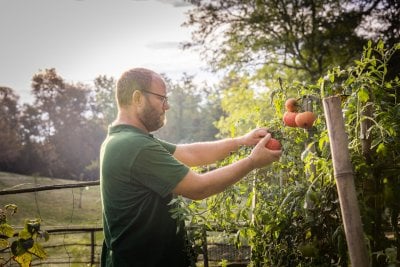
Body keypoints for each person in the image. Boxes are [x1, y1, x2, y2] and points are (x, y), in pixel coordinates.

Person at [100, 67, 282, 267]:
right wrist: (252, 161)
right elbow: (199, 187)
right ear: (138, 98)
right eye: (162, 98)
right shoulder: (134, 145)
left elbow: (190, 154)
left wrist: (242, 141)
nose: (167, 106)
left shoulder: (125, 139)